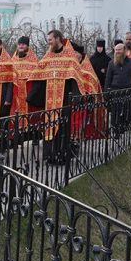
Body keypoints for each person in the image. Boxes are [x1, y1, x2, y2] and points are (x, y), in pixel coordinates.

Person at [26, 30, 102, 164]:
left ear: (58, 39)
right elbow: (38, 74)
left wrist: (76, 98)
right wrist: (33, 95)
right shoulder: (48, 56)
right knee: (49, 126)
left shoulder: (70, 57)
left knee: (63, 129)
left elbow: (76, 79)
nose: (48, 42)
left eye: (50, 39)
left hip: (65, 100)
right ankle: (50, 156)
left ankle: (61, 156)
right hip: (49, 100)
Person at [104, 43, 131, 138]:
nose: (117, 52)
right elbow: (108, 79)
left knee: (127, 111)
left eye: (119, 50)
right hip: (115, 91)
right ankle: (116, 131)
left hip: (127, 91)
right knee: (115, 111)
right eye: (116, 50)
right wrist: (106, 93)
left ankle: (127, 128)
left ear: (124, 50)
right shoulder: (111, 63)